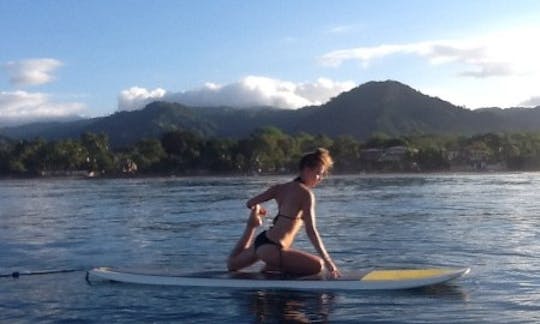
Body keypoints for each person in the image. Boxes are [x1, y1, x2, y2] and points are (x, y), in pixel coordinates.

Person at [227, 148, 341, 278]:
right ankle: (273, 267)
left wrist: (257, 211)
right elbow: (311, 231)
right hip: (274, 249)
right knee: (318, 266)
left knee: (232, 264)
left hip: (263, 241)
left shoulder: (280, 188)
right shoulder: (306, 194)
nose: (320, 178)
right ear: (307, 170)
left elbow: (250, 203)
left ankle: (255, 235)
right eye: (318, 173)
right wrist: (328, 261)